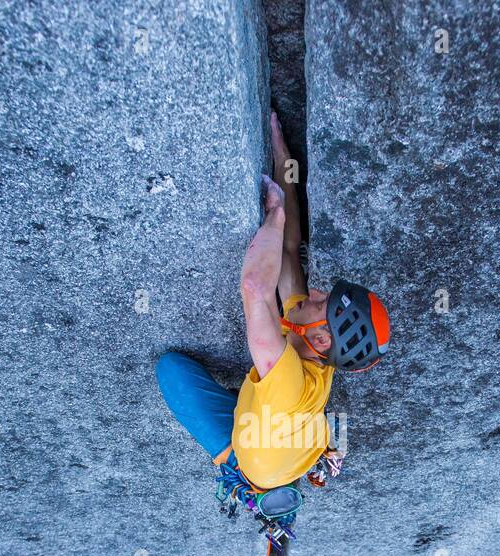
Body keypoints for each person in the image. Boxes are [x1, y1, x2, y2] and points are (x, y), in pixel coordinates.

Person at [155, 111, 391, 506]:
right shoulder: (310, 335)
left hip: (259, 462)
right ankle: (318, 456)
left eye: (323, 302)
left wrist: (273, 214)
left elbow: (255, 288)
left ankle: (264, 492)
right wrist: (285, 159)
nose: (315, 292)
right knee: (294, 421)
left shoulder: (285, 377)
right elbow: (287, 247)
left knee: (171, 370)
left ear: (321, 337)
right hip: (294, 435)